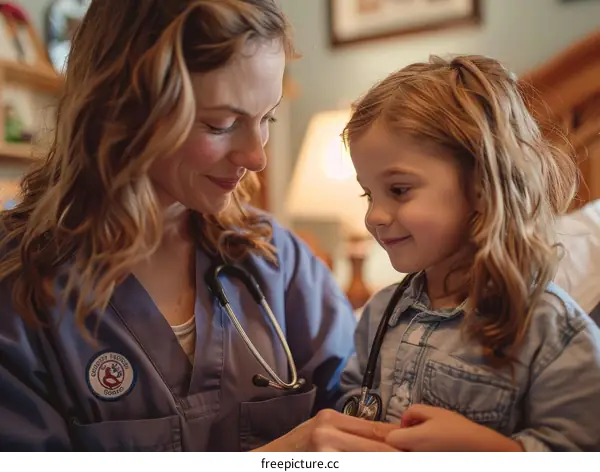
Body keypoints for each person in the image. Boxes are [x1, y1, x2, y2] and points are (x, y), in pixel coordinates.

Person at [0, 0, 400, 452]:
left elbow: (363, 414)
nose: (257, 157)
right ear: (122, 110)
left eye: (266, 118)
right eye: (221, 124)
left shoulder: (277, 263)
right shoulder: (19, 287)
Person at [338, 54, 600, 451]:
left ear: (480, 185)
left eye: (399, 190)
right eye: (368, 193)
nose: (374, 215)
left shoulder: (552, 332)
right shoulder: (380, 314)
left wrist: (486, 451)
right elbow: (350, 405)